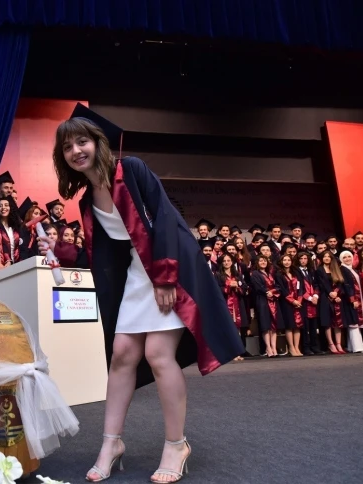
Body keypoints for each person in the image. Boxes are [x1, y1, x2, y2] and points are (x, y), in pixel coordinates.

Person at [39, 104, 243, 483]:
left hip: (169, 267)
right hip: (137, 274)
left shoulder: (130, 169)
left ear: (98, 142)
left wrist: (165, 278)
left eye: (82, 141)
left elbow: (166, 219)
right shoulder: (87, 199)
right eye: (67, 147)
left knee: (158, 354)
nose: (75, 151)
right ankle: (111, 443)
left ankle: (176, 444)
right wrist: (60, 253)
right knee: (121, 353)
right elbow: (104, 253)